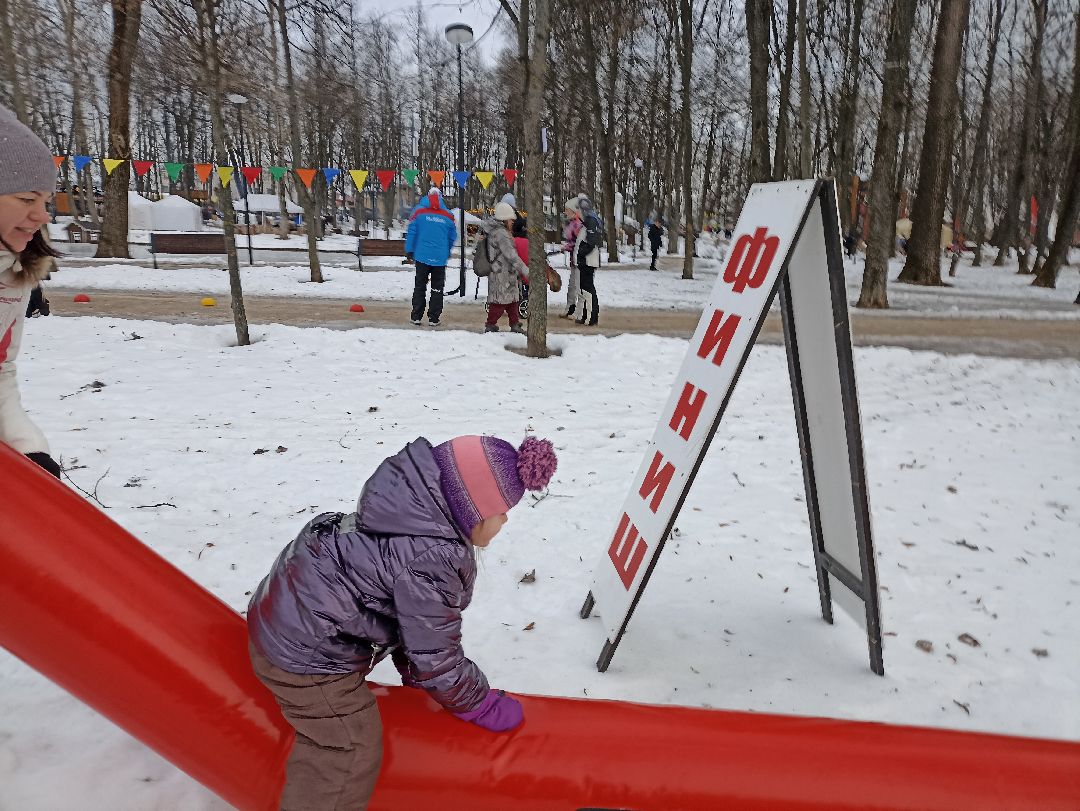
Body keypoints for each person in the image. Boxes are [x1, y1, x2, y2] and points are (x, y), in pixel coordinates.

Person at [247, 434, 558, 811]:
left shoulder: (404, 518)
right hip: (309, 660)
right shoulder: (433, 557)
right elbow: (437, 654)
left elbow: (402, 617)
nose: (505, 519)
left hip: (289, 617)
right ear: (471, 511)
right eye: (501, 510)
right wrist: (476, 703)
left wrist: (414, 671)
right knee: (350, 746)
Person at [0, 105, 62, 479]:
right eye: (27, 199)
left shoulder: (15, 271)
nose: (42, 215)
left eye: (45, 201)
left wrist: (29, 448)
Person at [404, 187, 457, 327]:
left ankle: (416, 316)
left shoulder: (418, 211)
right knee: (437, 288)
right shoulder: (448, 215)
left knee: (420, 286)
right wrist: (447, 250)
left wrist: (410, 249)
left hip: (422, 255)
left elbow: (412, 231)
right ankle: (434, 318)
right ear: (441, 197)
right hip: (440, 257)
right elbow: (452, 237)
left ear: (427, 196)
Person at [481, 201, 529, 334]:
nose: (513, 221)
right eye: (511, 219)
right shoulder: (501, 234)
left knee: (512, 300)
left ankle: (514, 324)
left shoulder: (499, 231)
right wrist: (526, 271)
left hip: (505, 273)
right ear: (504, 219)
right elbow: (511, 255)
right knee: (499, 302)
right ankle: (490, 324)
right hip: (502, 274)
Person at [574, 195, 603, 326]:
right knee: (585, 288)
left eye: (578, 209)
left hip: (588, 261)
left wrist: (580, 254)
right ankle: (588, 315)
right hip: (586, 260)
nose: (577, 213)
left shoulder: (591, 220)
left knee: (588, 288)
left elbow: (591, 243)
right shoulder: (589, 221)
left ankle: (591, 317)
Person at [561, 197, 582, 319]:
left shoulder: (578, 225)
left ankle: (577, 310)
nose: (565, 212)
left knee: (577, 285)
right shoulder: (572, 223)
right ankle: (570, 307)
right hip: (573, 259)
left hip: (578, 259)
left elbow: (578, 243)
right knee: (571, 285)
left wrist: (567, 247)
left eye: (567, 209)